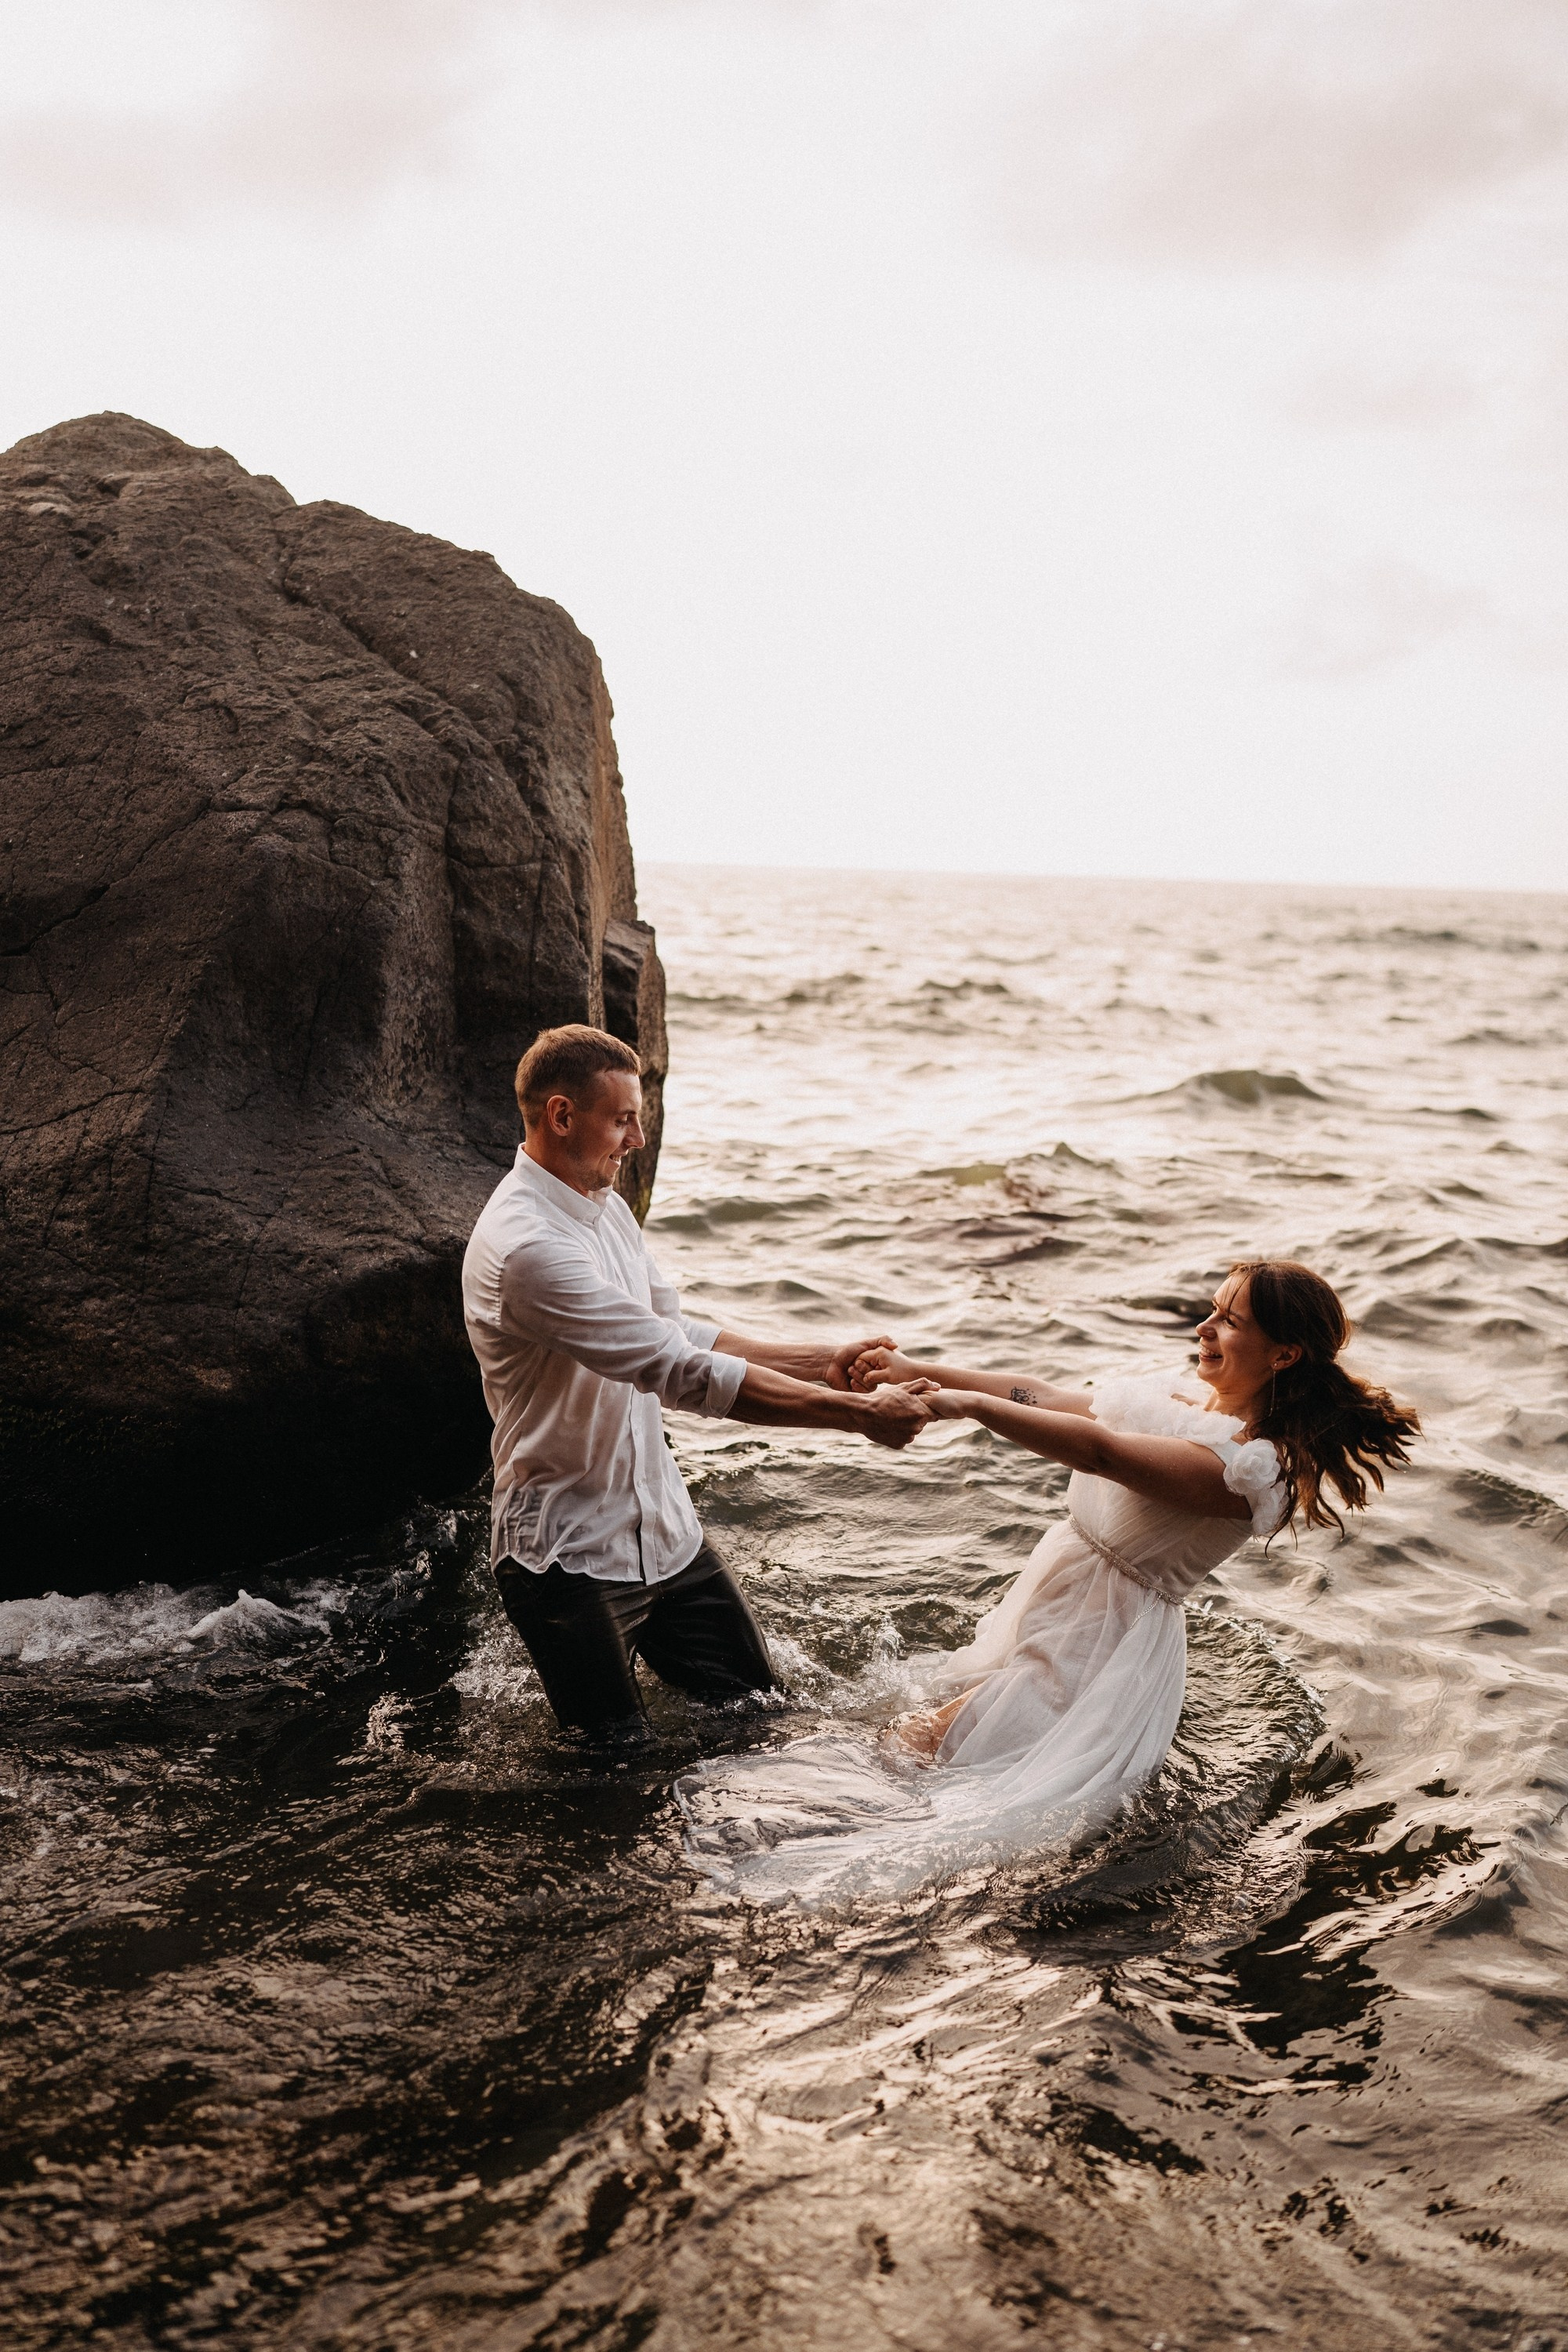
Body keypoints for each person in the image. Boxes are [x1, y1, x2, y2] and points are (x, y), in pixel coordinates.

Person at [678, 1260, 1418, 1905]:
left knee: (925, 1760)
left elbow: (1099, 1451)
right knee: (919, 1748)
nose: (1205, 1327)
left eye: (1230, 1321)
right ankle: (769, 1821)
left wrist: (964, 1408)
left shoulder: (1253, 1473)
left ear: (1284, 1353)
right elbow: (1036, 1393)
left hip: (1101, 1641)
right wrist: (923, 1372)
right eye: (1213, 1310)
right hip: (1057, 1603)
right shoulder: (1187, 1403)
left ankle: (761, 1845)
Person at [461, 1024, 931, 1740]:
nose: (638, 1139)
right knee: (614, 1771)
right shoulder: (528, 1249)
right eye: (623, 1119)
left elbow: (676, 1333)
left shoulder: (607, 1210)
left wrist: (818, 1361)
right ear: (562, 1116)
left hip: (667, 1534)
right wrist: (854, 1415)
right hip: (569, 1557)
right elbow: (678, 1372)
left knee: (763, 1719)